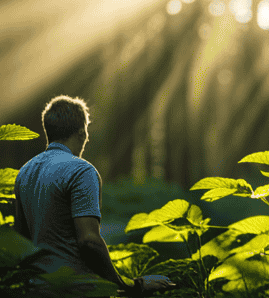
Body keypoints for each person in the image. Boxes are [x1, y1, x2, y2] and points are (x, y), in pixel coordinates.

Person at [14, 95, 175, 297]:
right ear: (82, 133)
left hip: (36, 289)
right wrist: (129, 285)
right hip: (76, 289)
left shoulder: (25, 172)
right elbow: (89, 240)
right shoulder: (81, 171)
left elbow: (20, 241)